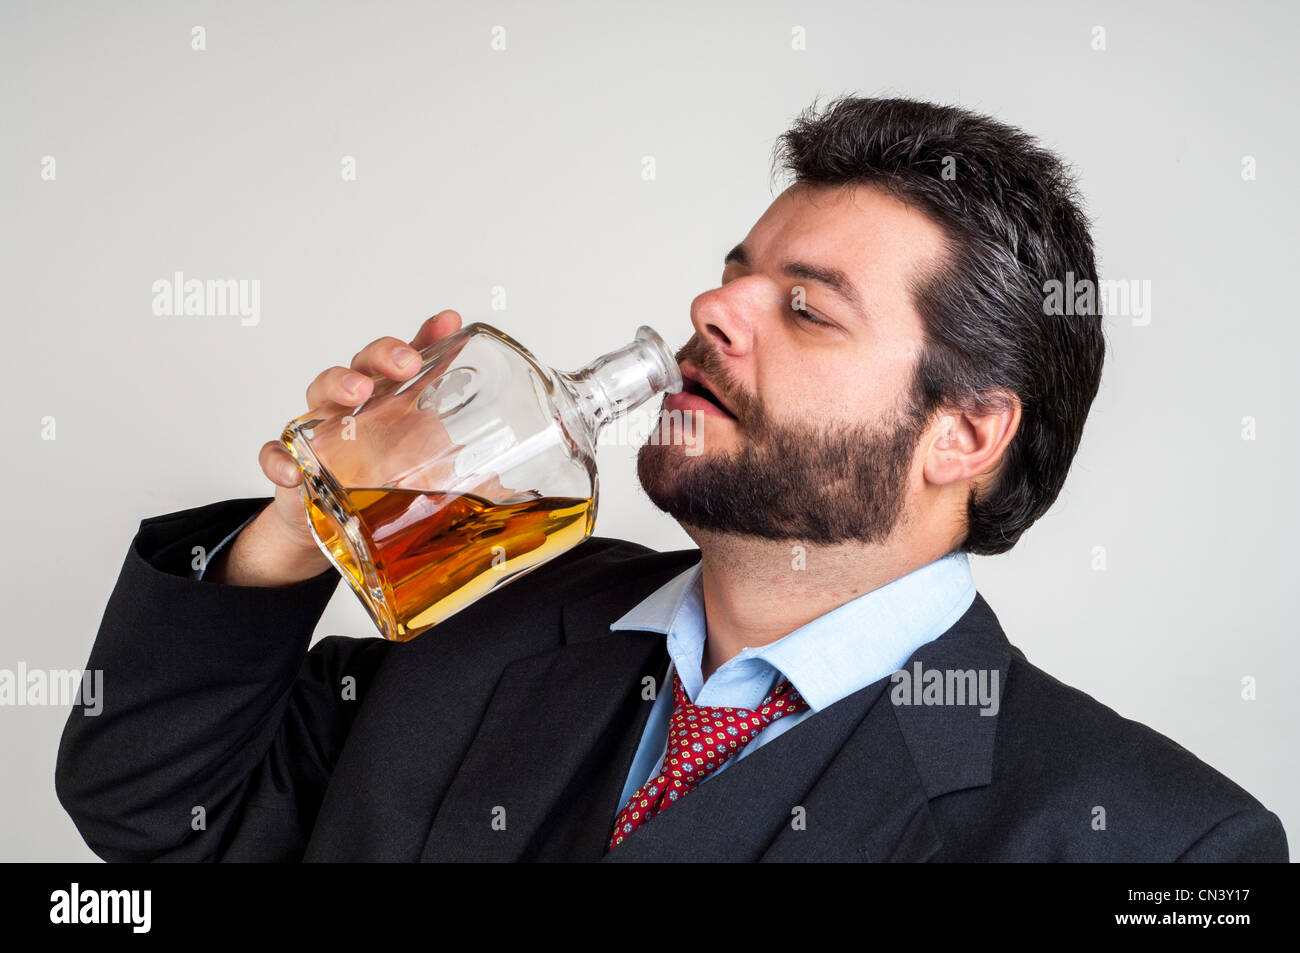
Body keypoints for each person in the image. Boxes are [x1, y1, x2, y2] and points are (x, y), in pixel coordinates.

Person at [56, 96, 1288, 862]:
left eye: (804, 308)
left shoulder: (1158, 840)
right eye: (734, 272)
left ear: (964, 435)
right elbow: (157, 811)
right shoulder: (495, 608)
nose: (712, 309)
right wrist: (298, 530)